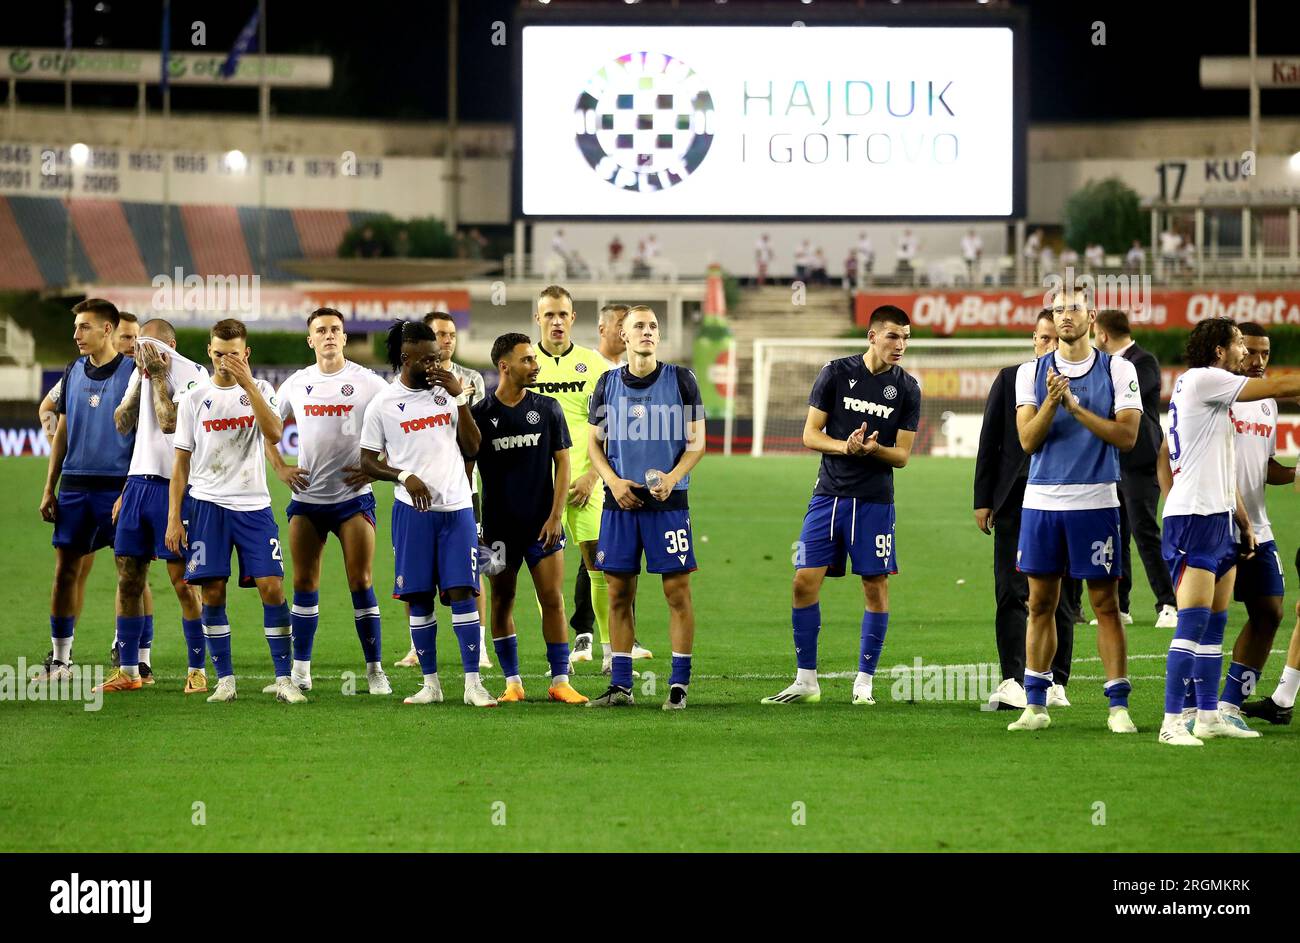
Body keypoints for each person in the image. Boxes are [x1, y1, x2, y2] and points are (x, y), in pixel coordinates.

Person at [761, 305, 920, 707]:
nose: (899, 345)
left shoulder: (908, 388)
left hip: (874, 501)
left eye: (904, 337)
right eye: (892, 336)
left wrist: (873, 449)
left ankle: (864, 681)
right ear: (872, 336)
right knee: (803, 582)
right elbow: (810, 434)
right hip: (828, 495)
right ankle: (806, 679)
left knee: (875, 586)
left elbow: (901, 456)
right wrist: (845, 446)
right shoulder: (835, 372)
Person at [1155, 318, 1300, 744]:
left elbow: (1227, 464)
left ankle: (1207, 716)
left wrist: (1241, 518)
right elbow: (1276, 387)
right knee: (1194, 622)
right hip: (1194, 517)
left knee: (1215, 624)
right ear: (1219, 351)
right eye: (1239, 344)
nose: (1246, 353)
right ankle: (1172, 722)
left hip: (1220, 517)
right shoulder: (1204, 380)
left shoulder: (1209, 389)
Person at [1007, 285, 1142, 735]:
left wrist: (1074, 407)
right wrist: (1051, 401)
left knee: (1105, 605)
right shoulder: (1031, 372)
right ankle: (1035, 704)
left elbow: (1126, 437)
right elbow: (1028, 440)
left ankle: (1117, 706)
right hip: (1042, 502)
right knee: (1040, 604)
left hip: (1097, 501)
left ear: (1092, 315)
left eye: (1075, 308)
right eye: (1060, 309)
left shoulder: (1118, 370)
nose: (1066, 316)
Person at [358, 320, 492, 707]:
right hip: (412, 514)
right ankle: (430, 685)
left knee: (464, 591)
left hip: (457, 508)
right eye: (429, 359)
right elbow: (367, 461)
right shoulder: (383, 404)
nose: (438, 364)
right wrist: (402, 475)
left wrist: (460, 399)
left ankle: (472, 684)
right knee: (418, 598)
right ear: (407, 358)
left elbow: (473, 448)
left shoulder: (447, 393)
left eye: (440, 357)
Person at [165, 319, 298, 705]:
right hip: (206, 505)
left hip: (253, 505)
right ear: (209, 352)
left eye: (234, 354)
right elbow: (180, 463)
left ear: (247, 354)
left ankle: (284, 679)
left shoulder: (260, 391)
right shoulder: (193, 398)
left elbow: (274, 433)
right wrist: (175, 516)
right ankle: (225, 679)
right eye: (220, 354)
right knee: (213, 592)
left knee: (272, 587)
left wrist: (249, 385)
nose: (226, 361)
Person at [264, 308, 392, 696]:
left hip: (353, 499)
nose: (329, 335)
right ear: (310, 340)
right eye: (321, 330)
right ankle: (301, 672)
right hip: (306, 498)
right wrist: (281, 469)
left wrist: (377, 468)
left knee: (362, 580)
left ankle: (374, 670)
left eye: (336, 329)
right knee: (303, 582)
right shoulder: (296, 384)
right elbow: (267, 428)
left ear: (345, 337)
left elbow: (397, 426)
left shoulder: (368, 383)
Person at [586, 305, 706, 709]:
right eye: (639, 326)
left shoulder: (682, 380)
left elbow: (697, 443)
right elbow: (594, 445)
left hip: (668, 505)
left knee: (676, 592)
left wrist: (672, 478)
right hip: (620, 503)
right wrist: (613, 481)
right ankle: (620, 686)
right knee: (619, 593)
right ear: (623, 335)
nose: (648, 332)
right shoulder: (606, 384)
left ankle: (678, 685)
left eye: (653, 326)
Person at [469, 333, 586, 704]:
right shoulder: (479, 416)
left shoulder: (548, 408)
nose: (535, 366)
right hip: (496, 532)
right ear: (504, 366)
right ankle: (513, 682)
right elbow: (467, 473)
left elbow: (563, 463)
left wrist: (556, 516)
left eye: (534, 360)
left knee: (552, 599)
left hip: (542, 527)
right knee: (501, 600)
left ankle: (560, 680)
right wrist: (477, 528)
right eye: (527, 360)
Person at [95, 318, 209, 694]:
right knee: (128, 578)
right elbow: (122, 423)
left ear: (171, 344)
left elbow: (171, 424)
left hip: (175, 487)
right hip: (138, 484)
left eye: (151, 344)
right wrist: (139, 382)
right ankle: (129, 670)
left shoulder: (193, 374)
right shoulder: (139, 372)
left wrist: (158, 377)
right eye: (139, 344)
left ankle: (197, 669)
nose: (143, 351)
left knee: (182, 582)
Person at [974, 310, 1080, 711]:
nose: (1049, 346)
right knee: (1010, 590)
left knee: (1064, 593)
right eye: (1042, 339)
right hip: (1016, 500)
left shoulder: (1086, 381)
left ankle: (1056, 680)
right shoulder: (1010, 378)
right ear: (1033, 340)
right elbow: (990, 441)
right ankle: (1012, 678)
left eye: (1056, 340)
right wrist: (983, 499)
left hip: (1068, 497)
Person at [34, 299, 137, 682]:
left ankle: (133, 659)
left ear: (107, 330)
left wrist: (132, 489)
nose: (76, 334)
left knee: (130, 572)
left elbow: (143, 437)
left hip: (118, 487)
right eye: (76, 327)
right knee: (65, 572)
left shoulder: (133, 374)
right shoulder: (72, 371)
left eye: (84, 327)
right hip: (75, 487)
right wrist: (50, 486)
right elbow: (61, 431)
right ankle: (61, 661)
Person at [395, 312, 492, 670]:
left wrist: (463, 483)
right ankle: (413, 646)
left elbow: (472, 439)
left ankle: (478, 645)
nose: (447, 340)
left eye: (451, 334)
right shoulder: (400, 387)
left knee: (473, 569)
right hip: (417, 500)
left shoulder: (471, 380)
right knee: (416, 577)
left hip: (464, 492)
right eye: (440, 334)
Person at [530, 287, 616, 675]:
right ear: (538, 319)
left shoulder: (594, 366)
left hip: (586, 486)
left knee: (600, 567)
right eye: (549, 315)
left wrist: (593, 475)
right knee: (547, 578)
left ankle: (610, 649)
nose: (557, 322)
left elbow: (612, 430)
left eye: (563, 314)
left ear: (573, 318)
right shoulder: (525, 363)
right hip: (538, 491)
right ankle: (557, 656)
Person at [1217, 324, 1294, 726]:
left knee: (1270, 612)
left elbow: (1264, 467)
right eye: (1250, 352)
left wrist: (1295, 474)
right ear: (1233, 350)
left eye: (1265, 353)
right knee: (1208, 616)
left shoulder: (1267, 404)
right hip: (1216, 521)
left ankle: (1229, 707)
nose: (1258, 361)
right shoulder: (1218, 394)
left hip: (1258, 527)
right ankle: (1190, 707)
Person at [1093, 310, 1178, 628]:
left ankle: (1169, 603)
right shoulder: (1110, 364)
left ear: (1102, 335)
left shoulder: (1144, 362)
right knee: (1116, 535)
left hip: (1141, 460)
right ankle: (1121, 606)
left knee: (1144, 532)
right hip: (1113, 460)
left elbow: (1119, 400)